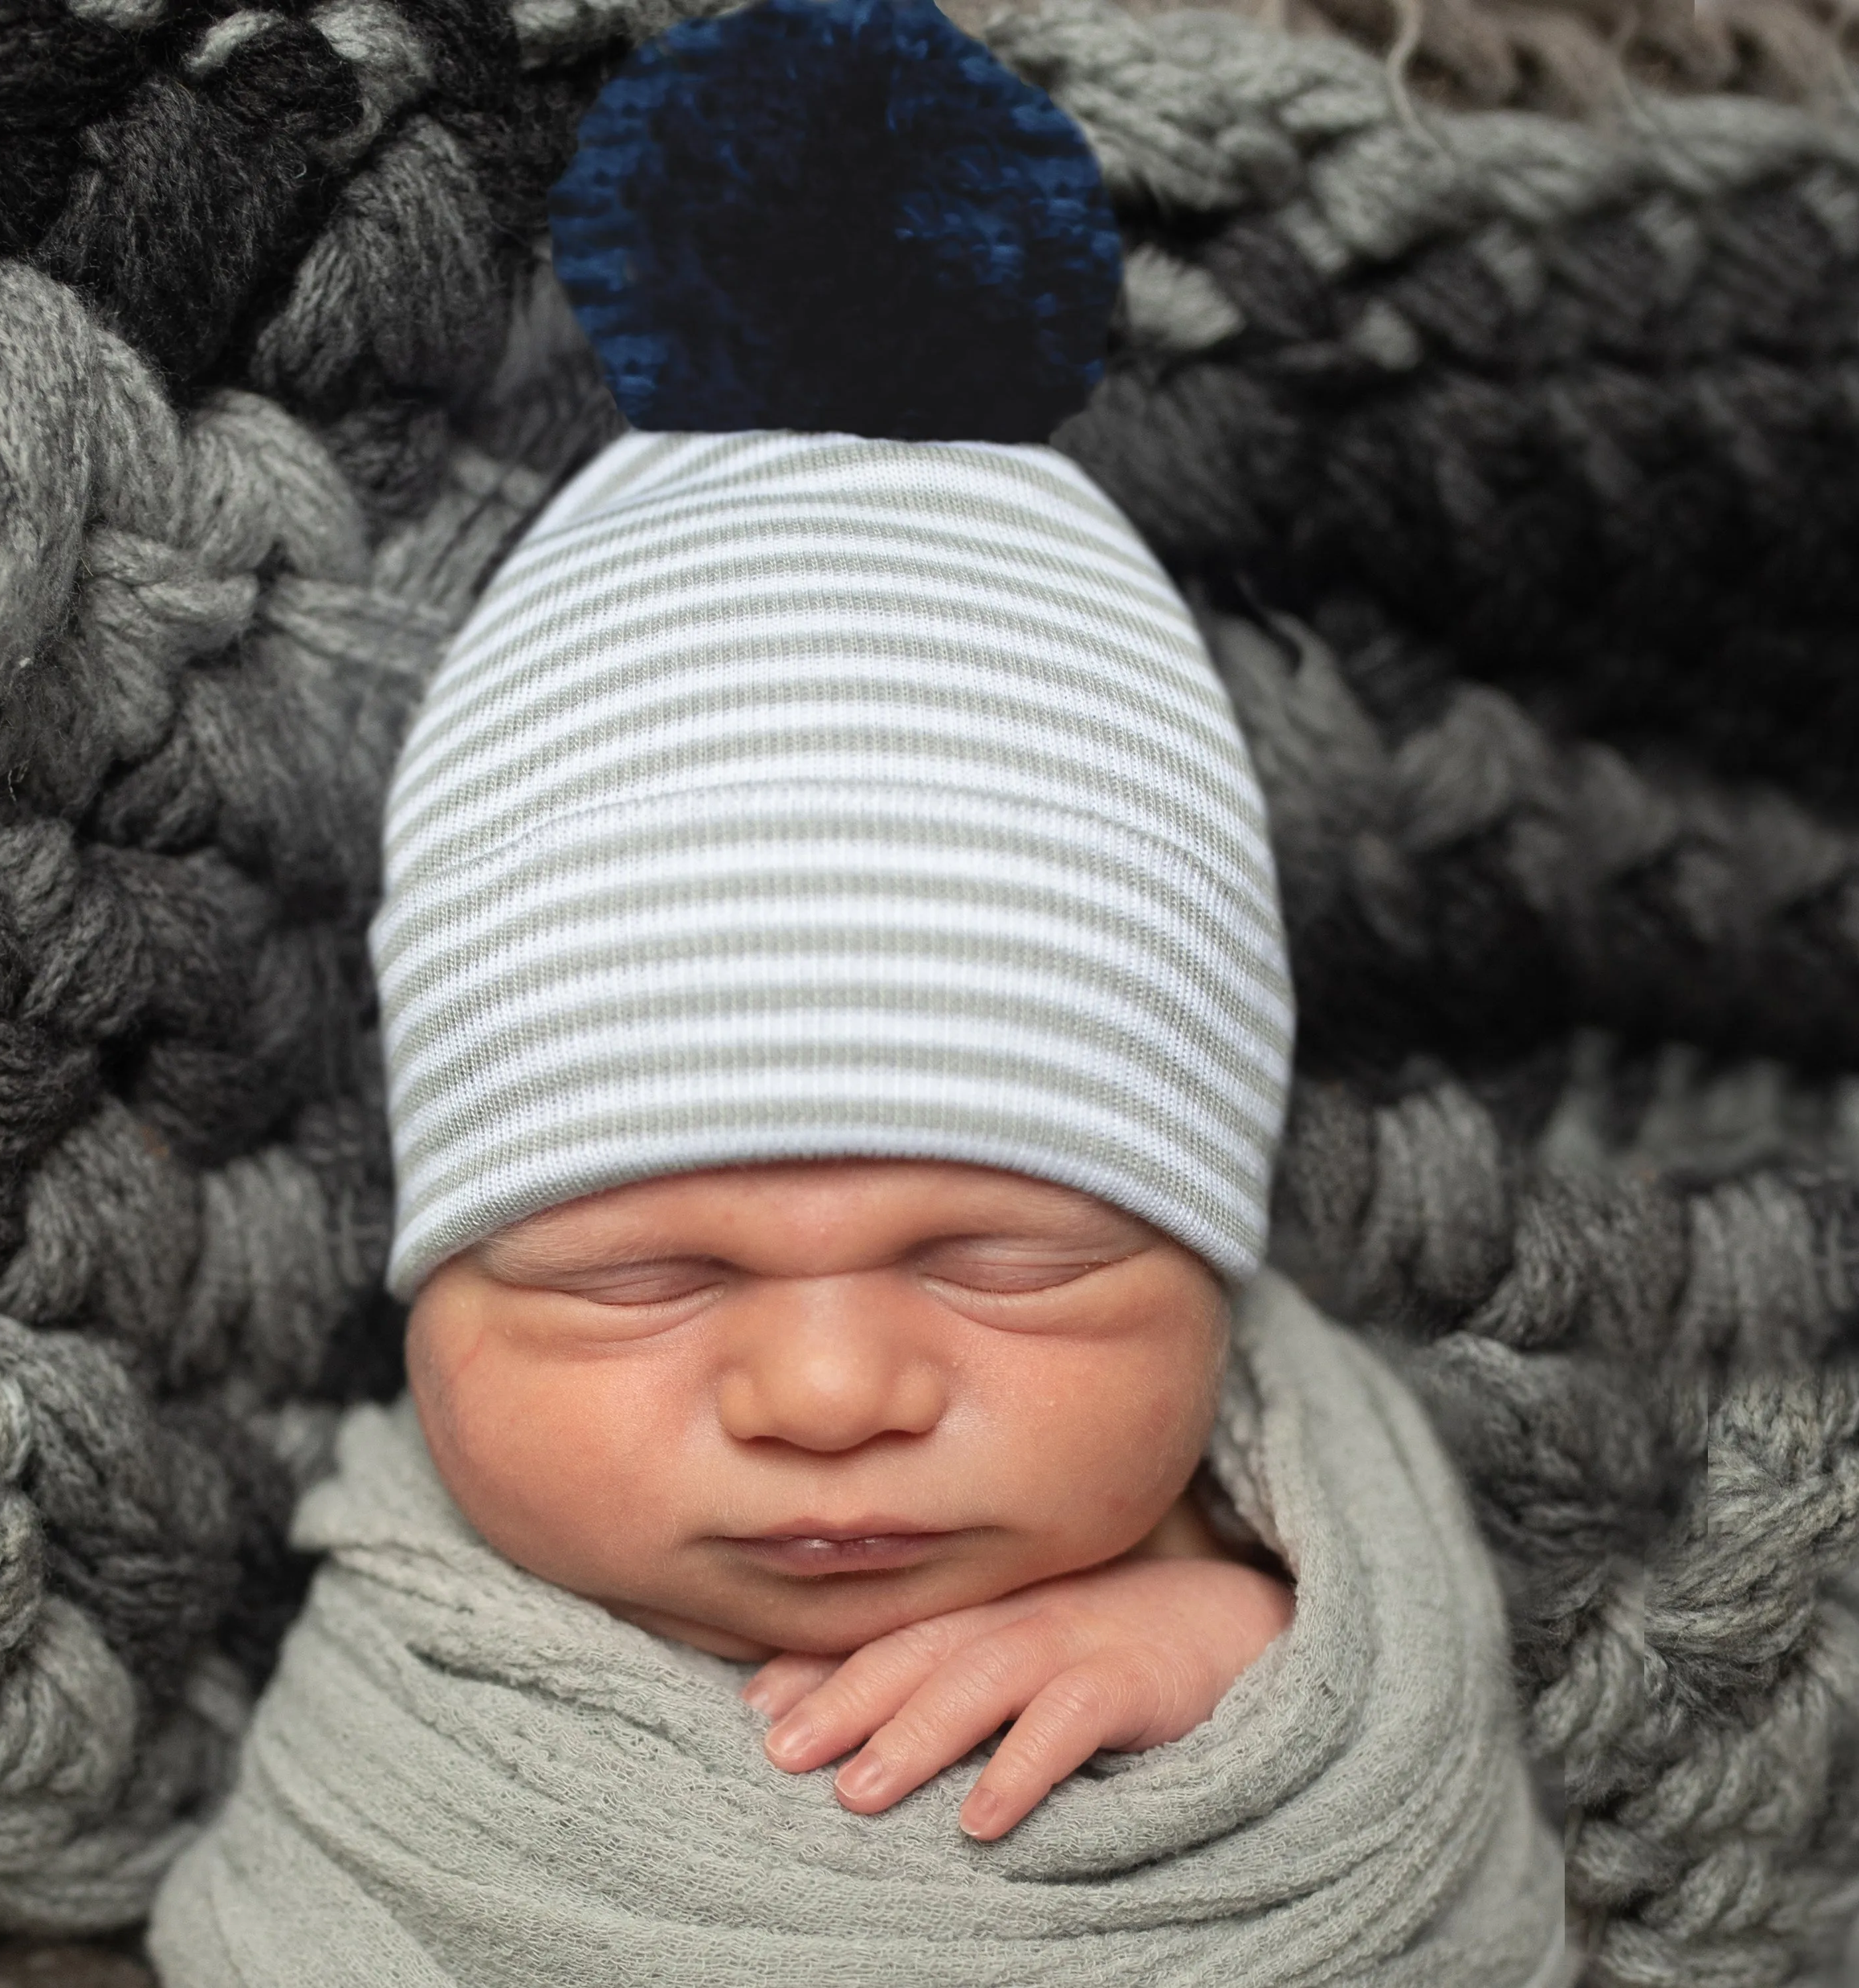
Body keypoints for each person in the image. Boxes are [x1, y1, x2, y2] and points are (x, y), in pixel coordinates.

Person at [148, 5, 1569, 1979]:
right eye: (642, 1278)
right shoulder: (415, 1681)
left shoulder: (1297, 1583)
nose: (829, 1397)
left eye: (1007, 1263)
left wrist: (1249, 1654)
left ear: (1213, 1261)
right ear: (433, 1289)